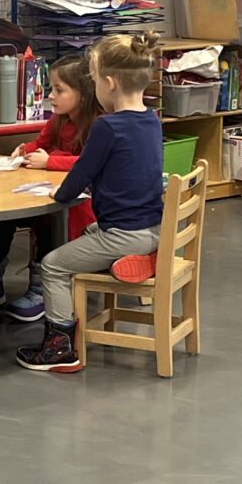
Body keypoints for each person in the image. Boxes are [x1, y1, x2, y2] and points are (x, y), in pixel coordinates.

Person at [15, 33, 164, 374]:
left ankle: (58, 349)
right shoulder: (152, 120)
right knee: (90, 230)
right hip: (152, 229)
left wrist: (59, 195)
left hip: (123, 233)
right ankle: (139, 258)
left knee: (54, 265)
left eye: (94, 81)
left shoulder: (106, 127)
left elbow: (81, 174)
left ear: (109, 83)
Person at [0, 55, 101, 320]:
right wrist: (24, 150)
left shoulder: (99, 124)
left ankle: (42, 289)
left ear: (84, 94)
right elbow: (40, 142)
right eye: (51, 88)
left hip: (81, 200)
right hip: (45, 188)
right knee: (3, 215)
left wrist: (50, 161)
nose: (51, 96)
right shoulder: (59, 119)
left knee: (51, 219)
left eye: (59, 90)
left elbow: (88, 162)